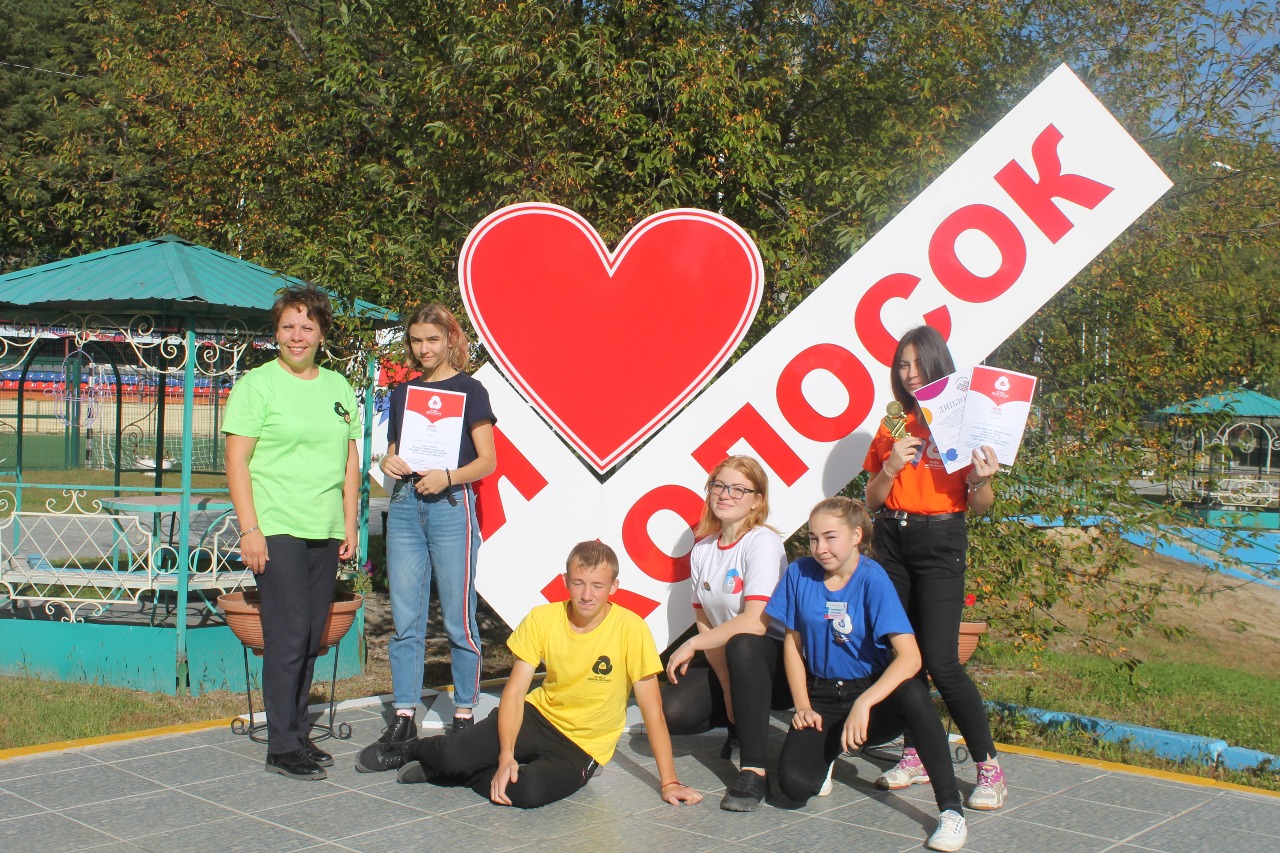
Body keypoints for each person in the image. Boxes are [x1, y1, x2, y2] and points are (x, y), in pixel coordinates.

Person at [364, 541, 704, 810]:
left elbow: (652, 710)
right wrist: (506, 755)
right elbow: (514, 693)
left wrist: (669, 781)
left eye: (598, 586)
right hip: (536, 717)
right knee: (454, 753)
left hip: (582, 745)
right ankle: (414, 751)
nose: (587, 594)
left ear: (614, 587)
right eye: (579, 583)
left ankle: (459, 775)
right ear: (565, 581)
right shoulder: (542, 618)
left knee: (526, 791)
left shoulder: (632, 629)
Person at [767, 497, 968, 852]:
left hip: (870, 698)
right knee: (792, 788)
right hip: (823, 696)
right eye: (813, 538)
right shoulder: (799, 573)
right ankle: (827, 751)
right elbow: (791, 646)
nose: (820, 548)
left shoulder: (873, 578)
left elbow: (910, 657)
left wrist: (864, 702)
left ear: (856, 535)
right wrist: (802, 706)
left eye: (830, 537)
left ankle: (951, 809)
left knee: (914, 694)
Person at [863, 324, 1006, 810]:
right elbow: (872, 499)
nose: (909, 374)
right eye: (902, 366)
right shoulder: (894, 425)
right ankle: (916, 754)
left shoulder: (962, 421)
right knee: (904, 656)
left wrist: (981, 479)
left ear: (937, 364)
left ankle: (989, 768)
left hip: (943, 537)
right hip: (893, 537)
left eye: (918, 365)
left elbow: (981, 505)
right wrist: (889, 468)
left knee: (942, 662)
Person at [224, 284, 361, 781]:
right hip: (276, 524)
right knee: (286, 634)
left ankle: (298, 731)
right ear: (275, 332)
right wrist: (250, 529)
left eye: (307, 326)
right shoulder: (257, 386)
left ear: (322, 333)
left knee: (308, 636)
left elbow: (349, 461)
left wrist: (349, 524)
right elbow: (236, 461)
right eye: (288, 326)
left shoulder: (340, 389)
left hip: (323, 528)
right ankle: (282, 745)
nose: (297, 336)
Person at [357, 304, 496, 773]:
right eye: (416, 340)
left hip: (451, 508)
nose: (424, 349)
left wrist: (449, 477)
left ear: (450, 338)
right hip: (404, 508)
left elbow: (487, 461)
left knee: (459, 619)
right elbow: (396, 453)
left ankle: (463, 714)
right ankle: (403, 716)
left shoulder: (471, 391)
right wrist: (388, 463)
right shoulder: (403, 394)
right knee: (406, 620)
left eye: (433, 339)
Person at [661, 455, 790, 812]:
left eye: (738, 488)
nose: (725, 494)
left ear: (757, 500)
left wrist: (692, 644)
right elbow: (706, 620)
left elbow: (755, 622)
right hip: (733, 662)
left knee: (744, 644)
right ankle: (738, 724)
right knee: (671, 710)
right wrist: (728, 687)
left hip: (775, 666)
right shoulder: (702, 549)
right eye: (718, 485)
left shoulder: (762, 542)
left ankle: (754, 772)